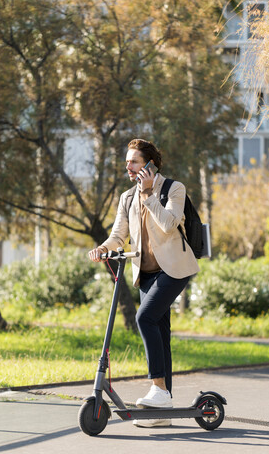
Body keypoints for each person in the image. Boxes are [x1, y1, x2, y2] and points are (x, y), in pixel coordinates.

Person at [88, 138, 199, 427]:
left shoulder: (173, 188)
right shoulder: (126, 197)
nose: (128, 166)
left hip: (175, 269)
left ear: (150, 165)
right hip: (147, 274)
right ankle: (163, 410)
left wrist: (149, 194)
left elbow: (169, 224)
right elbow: (118, 235)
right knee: (160, 332)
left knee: (144, 317)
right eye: (127, 161)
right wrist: (103, 248)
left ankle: (158, 389)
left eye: (134, 161)